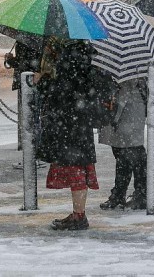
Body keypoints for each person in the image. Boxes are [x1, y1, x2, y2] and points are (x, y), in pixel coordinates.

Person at [36, 38, 100, 231]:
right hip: (78, 121)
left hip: (69, 122)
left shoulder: (70, 57)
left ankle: (79, 216)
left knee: (75, 167)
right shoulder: (84, 54)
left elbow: (63, 90)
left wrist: (44, 82)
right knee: (79, 166)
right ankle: (78, 213)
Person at [99, 78, 148, 210]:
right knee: (122, 150)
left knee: (132, 149)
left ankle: (140, 193)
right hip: (119, 100)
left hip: (130, 101)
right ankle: (122, 193)